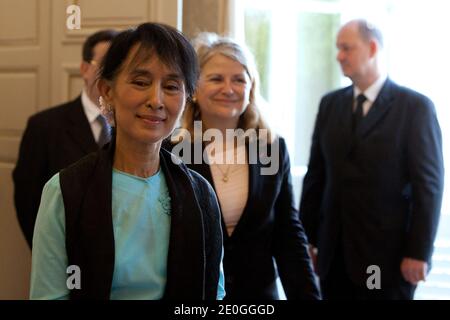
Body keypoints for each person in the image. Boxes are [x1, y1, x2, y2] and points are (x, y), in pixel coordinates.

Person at [30, 23, 225, 300]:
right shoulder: (65, 192)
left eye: (171, 86)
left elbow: (213, 294)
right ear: (107, 90)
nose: (156, 100)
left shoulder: (201, 194)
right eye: (141, 82)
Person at [166, 33, 320, 300]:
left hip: (259, 296)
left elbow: (287, 233)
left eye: (239, 79)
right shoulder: (171, 150)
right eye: (216, 78)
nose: (229, 89)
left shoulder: (270, 148)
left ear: (251, 88)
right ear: (193, 88)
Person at [299, 19, 444, 300]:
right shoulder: (330, 104)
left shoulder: (415, 108)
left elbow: (429, 187)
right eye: (337, 48)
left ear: (373, 48)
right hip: (333, 255)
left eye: (346, 48)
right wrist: (308, 241)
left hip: (387, 258)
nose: (338, 56)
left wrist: (418, 252)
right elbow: (316, 177)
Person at [13, 29, 119, 248]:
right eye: (105, 64)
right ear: (84, 69)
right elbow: (28, 201)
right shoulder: (44, 127)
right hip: (65, 257)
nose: (112, 74)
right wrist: (48, 255)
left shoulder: (136, 129)